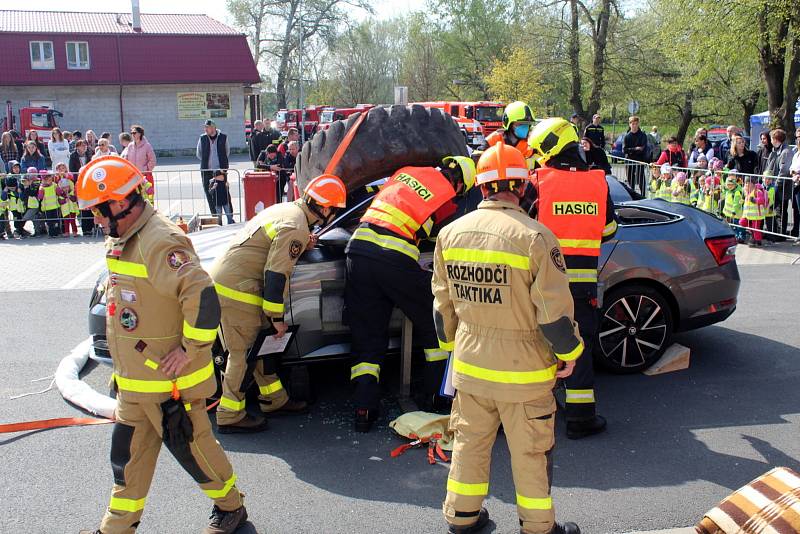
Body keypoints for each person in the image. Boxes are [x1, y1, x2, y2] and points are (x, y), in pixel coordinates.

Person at [75, 155, 248, 534]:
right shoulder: (122, 238)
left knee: (195, 451)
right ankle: (116, 527)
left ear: (120, 202)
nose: (95, 219)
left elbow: (202, 298)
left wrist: (189, 350)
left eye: (98, 211)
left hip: (171, 385)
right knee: (127, 459)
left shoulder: (160, 240)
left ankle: (232, 509)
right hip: (136, 384)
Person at [432, 141, 582, 534]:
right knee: (531, 454)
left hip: (470, 368)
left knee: (469, 445)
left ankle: (461, 518)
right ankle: (537, 528)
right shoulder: (536, 238)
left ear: (481, 187)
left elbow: (441, 308)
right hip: (525, 376)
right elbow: (553, 317)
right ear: (521, 187)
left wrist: (455, 349)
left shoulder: (449, 235)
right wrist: (570, 353)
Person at [345, 156, 477, 432]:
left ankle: (363, 410)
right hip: (394, 257)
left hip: (357, 249)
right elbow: (438, 235)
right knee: (436, 320)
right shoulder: (446, 194)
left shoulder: (407, 172)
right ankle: (436, 397)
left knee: (368, 336)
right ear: (459, 183)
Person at [209, 174, 348, 433]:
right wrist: (276, 318)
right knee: (245, 353)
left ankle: (274, 399)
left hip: (239, 283)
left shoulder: (290, 212)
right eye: (335, 209)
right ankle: (229, 414)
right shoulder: (296, 225)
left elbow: (272, 247)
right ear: (326, 208)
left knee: (262, 348)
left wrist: (303, 243)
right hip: (238, 289)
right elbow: (276, 274)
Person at [528, 117, 617, 439]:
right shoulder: (598, 181)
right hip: (581, 286)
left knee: (538, 346)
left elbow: (520, 228)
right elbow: (608, 231)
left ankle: (537, 415)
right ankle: (580, 418)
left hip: (541, 284)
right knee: (579, 347)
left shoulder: (538, 180)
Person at [197, 119, 230, 214]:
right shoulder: (202, 138)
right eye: (205, 127)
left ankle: (229, 217)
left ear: (213, 128)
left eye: (207, 127)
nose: (205, 129)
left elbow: (226, 152)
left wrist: (220, 164)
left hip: (221, 171)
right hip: (206, 171)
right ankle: (215, 216)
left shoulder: (223, 137)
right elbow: (199, 154)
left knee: (224, 193)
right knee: (209, 193)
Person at [766, 129, 794, 238]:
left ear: (776, 139)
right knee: (776, 211)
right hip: (776, 186)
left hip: (782, 188)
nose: (771, 141)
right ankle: (775, 232)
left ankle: (781, 234)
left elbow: (784, 172)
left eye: (772, 139)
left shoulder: (786, 152)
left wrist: (776, 186)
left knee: (781, 211)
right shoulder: (776, 151)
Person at [125, 125, 157, 205]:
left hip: (145, 177)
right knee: (135, 200)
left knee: (148, 199)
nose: (132, 134)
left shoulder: (147, 146)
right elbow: (126, 159)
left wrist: (145, 169)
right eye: (131, 133)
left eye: (134, 133)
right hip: (133, 177)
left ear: (140, 134)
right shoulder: (130, 146)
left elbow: (152, 160)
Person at [69, 139, 94, 236]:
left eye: (85, 145)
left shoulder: (89, 154)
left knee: (91, 205)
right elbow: (72, 169)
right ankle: (85, 229)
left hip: (89, 182)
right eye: (81, 145)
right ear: (77, 147)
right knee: (83, 207)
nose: (83, 147)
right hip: (79, 182)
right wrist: (78, 180)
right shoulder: (73, 156)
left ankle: (92, 227)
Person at [622, 115, 649, 193]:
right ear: (629, 124)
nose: (634, 126)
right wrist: (635, 149)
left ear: (638, 124)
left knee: (641, 179)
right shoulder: (627, 136)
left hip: (640, 160)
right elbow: (624, 150)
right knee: (630, 180)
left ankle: (643, 196)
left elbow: (642, 148)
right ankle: (632, 195)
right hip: (629, 161)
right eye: (632, 124)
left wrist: (632, 150)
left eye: (636, 124)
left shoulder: (643, 135)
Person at [740, 176, 767, 247]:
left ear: (752, 183)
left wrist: (754, 200)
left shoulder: (757, 191)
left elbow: (762, 200)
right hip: (748, 215)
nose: (746, 184)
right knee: (742, 222)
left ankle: (758, 241)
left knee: (755, 228)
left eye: (748, 183)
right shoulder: (746, 192)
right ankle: (753, 235)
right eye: (745, 183)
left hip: (757, 215)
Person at [36, 169, 62, 237]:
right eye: (48, 180)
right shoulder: (42, 187)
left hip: (55, 206)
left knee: (56, 221)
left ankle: (57, 232)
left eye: (51, 179)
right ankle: (51, 233)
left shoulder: (54, 185)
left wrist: (58, 189)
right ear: (44, 180)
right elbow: (40, 197)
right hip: (47, 208)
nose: (50, 181)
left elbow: (59, 193)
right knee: (49, 222)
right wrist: (41, 191)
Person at [722, 173, 746, 243]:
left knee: (739, 226)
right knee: (733, 226)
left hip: (736, 214)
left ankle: (741, 237)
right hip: (729, 213)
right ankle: (736, 236)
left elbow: (737, 204)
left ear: (734, 184)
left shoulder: (737, 192)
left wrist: (733, 212)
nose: (729, 186)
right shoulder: (728, 190)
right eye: (728, 185)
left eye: (731, 185)